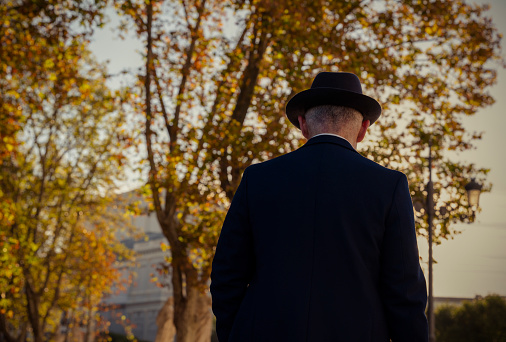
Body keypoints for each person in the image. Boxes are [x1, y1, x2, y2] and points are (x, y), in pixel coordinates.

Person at [210, 72, 428, 342]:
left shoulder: (257, 179)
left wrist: (236, 335)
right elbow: (405, 292)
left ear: (303, 125)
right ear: (363, 129)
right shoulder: (389, 185)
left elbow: (226, 276)